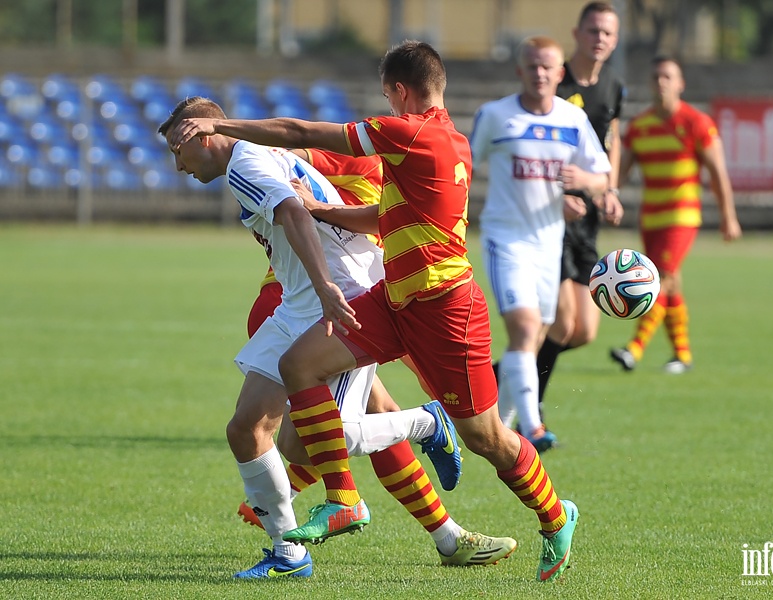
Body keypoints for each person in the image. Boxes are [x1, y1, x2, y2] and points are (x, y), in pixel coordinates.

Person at [170, 40, 580, 583]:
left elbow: (298, 133)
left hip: (445, 308)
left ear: (401, 91)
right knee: (300, 366)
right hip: (394, 299)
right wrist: (324, 208)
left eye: (389, 96)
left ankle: (555, 516)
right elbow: (388, 219)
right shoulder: (447, 143)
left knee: (487, 439)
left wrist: (226, 127)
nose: (385, 106)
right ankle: (344, 498)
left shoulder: (410, 132)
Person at [158, 98, 466, 579]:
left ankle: (426, 424)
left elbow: (295, 214)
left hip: (341, 297)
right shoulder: (258, 154)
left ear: (204, 136)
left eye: (179, 151)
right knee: (246, 430)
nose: (178, 166)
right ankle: (288, 554)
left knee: (308, 447)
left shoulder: (244, 163)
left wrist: (325, 288)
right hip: (299, 303)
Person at [238, 148, 517, 568]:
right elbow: (297, 153)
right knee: (309, 435)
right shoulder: (372, 163)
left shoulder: (404, 176)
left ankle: (443, 534)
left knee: (333, 428)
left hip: (329, 302)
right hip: (308, 300)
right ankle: (439, 521)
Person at [470, 35, 611, 452]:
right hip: (506, 239)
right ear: (519, 71)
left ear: (560, 73)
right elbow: (464, 165)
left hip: (551, 243)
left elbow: (601, 176)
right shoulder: (495, 116)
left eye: (547, 67)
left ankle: (502, 430)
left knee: (532, 341)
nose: (539, 73)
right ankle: (532, 428)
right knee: (526, 329)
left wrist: (582, 186)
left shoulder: (572, 120)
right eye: (531, 66)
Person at [610, 55, 742, 374]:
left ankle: (634, 348)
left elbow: (718, 172)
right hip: (650, 219)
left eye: (667, 76)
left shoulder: (697, 123)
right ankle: (682, 354)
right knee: (671, 284)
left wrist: (729, 216)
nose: (661, 82)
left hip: (682, 217)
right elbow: (620, 174)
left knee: (660, 279)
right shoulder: (639, 127)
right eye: (656, 76)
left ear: (680, 84)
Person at [534, 2, 625, 425]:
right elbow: (533, 147)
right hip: (551, 218)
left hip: (586, 222)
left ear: (616, 38)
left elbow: (612, 141)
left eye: (607, 32)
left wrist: (610, 188)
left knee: (584, 331)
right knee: (562, 322)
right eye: (593, 31)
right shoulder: (555, 82)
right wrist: (557, 192)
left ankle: (504, 377)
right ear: (577, 33)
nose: (600, 38)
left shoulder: (612, 87)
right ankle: (529, 407)